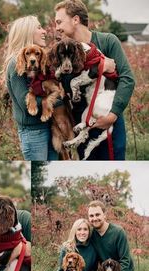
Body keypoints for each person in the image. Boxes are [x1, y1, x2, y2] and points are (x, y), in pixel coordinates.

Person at [55, 0, 135, 160]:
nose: (57, 28)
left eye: (59, 22)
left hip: (109, 122)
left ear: (75, 20)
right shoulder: (61, 50)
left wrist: (112, 115)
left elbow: (127, 79)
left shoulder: (107, 41)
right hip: (80, 126)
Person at [2, 15, 65, 161]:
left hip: (50, 127)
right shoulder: (16, 64)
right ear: (27, 32)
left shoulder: (41, 62)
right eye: (39, 27)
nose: (44, 31)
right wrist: (60, 101)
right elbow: (27, 107)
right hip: (33, 132)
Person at [88, 200, 134, 271]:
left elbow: (125, 260)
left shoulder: (118, 232)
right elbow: (91, 258)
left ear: (104, 215)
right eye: (91, 216)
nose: (94, 218)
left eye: (97, 214)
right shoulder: (91, 235)